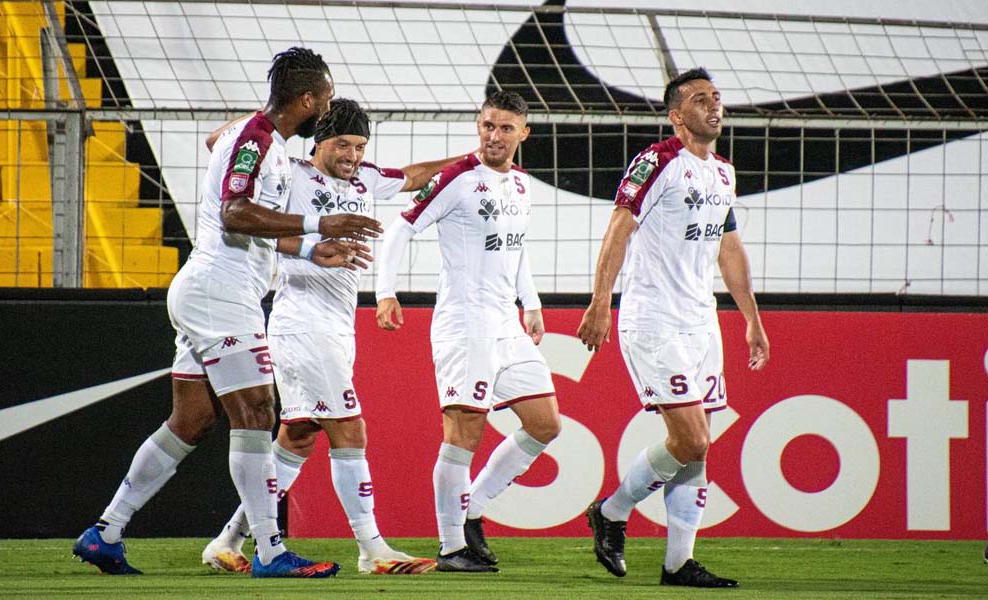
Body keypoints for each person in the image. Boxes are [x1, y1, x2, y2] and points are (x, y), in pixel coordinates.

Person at [72, 47, 382, 578]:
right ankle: (268, 550)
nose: (327, 109)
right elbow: (235, 213)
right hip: (222, 293)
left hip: (209, 289)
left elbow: (218, 143)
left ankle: (105, 531)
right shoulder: (258, 140)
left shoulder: (258, 137)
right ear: (307, 99)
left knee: (191, 420)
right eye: (325, 100)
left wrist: (308, 251)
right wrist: (315, 228)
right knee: (257, 413)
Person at [199, 98, 466, 576]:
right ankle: (373, 549)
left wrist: (469, 161)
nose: (352, 155)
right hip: (302, 323)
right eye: (342, 144)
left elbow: (411, 176)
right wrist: (310, 247)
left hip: (337, 327)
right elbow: (241, 194)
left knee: (298, 438)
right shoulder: (292, 174)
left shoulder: (365, 180)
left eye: (360, 145)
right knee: (350, 429)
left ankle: (228, 540)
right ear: (319, 140)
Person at [576, 67, 769, 588]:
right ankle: (613, 512)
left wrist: (751, 318)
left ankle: (678, 563)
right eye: (701, 99)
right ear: (676, 115)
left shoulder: (723, 173)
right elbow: (619, 226)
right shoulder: (657, 162)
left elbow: (729, 249)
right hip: (654, 318)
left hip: (701, 323)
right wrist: (600, 303)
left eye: (717, 97)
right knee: (692, 439)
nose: (714, 106)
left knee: (698, 445)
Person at [375, 90, 561, 573]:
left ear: (524, 133)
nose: (493, 136)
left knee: (545, 423)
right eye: (486, 126)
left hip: (505, 323)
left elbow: (515, 249)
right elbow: (401, 229)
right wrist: (385, 292)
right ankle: (453, 545)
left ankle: (471, 508)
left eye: (504, 128)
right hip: (464, 324)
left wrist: (532, 303)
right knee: (464, 433)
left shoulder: (520, 184)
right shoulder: (457, 179)